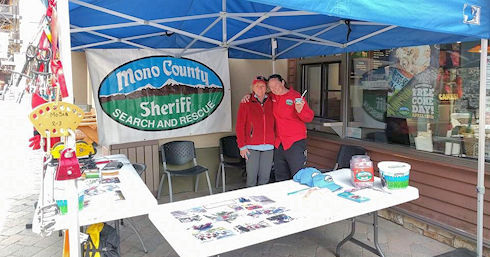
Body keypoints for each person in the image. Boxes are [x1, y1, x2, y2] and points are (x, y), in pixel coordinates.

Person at [241, 74, 314, 181]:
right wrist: (248, 95)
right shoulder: (272, 96)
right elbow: (259, 93)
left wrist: (300, 110)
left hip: (294, 142)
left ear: (283, 82)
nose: (274, 88)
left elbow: (309, 118)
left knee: (297, 174)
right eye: (271, 87)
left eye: (276, 85)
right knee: (280, 175)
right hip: (278, 143)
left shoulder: (295, 96)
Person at [236, 76, 275, 187]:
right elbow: (240, 126)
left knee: (265, 178)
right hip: (251, 146)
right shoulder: (246, 102)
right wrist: (242, 146)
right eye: (257, 86)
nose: (260, 88)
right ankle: (251, 203)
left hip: (268, 146)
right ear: (252, 88)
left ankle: (263, 202)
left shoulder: (272, 100)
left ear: (266, 88)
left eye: (262, 86)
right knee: (252, 178)